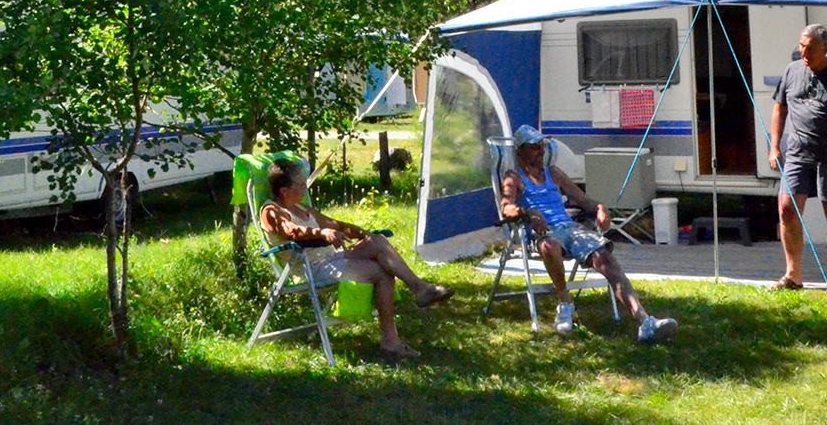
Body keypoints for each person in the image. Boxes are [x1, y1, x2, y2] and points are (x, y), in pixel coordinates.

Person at [499, 125, 679, 342]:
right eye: (535, 147)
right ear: (520, 151)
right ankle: (565, 302)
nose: (541, 151)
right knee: (550, 246)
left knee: (605, 258)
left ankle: (645, 322)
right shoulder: (514, 178)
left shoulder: (553, 173)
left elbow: (583, 200)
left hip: (569, 228)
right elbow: (505, 207)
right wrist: (528, 213)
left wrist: (600, 208)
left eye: (542, 146)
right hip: (541, 232)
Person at [258, 158, 453, 358]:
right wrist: (321, 233)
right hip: (308, 268)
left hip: (331, 259)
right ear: (284, 191)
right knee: (382, 272)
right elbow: (292, 231)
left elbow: (337, 225)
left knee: (376, 241)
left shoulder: (302, 209)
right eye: (300, 184)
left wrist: (364, 233)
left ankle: (420, 290)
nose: (304, 187)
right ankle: (392, 339)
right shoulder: (270, 211)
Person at [767, 23, 827, 293]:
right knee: (787, 208)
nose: (804, 53)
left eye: (810, 48)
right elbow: (779, 108)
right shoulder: (792, 70)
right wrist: (775, 145)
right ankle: (793, 275)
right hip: (797, 153)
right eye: (801, 46)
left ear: (826, 49)